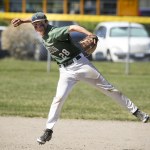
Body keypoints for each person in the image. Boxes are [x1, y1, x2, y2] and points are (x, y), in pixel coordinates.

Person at [12, 12, 149, 145]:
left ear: (46, 23)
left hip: (81, 65)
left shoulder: (54, 32)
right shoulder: (41, 29)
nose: (38, 27)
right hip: (65, 71)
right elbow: (36, 19)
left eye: (40, 24)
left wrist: (89, 34)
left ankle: (137, 112)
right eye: (35, 25)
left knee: (110, 90)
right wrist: (24, 21)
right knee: (58, 99)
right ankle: (48, 130)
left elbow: (72, 28)